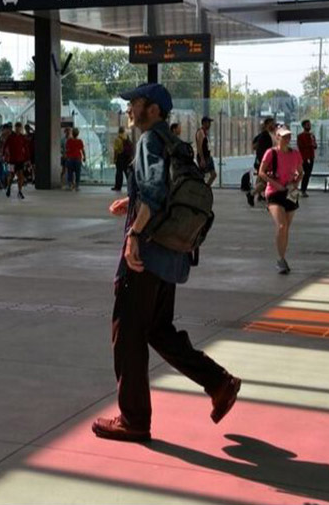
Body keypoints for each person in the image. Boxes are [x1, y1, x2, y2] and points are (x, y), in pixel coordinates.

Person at [93, 82, 240, 443]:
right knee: (157, 329)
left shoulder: (149, 141)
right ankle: (218, 382)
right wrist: (133, 202)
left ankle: (134, 419)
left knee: (127, 334)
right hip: (171, 253)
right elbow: (165, 191)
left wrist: (134, 236)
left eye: (136, 103)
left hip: (146, 254)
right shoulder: (177, 144)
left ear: (154, 110)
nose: (130, 109)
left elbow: (157, 191)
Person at [259, 126, 303, 274]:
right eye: (284, 136)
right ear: (277, 137)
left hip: (290, 192)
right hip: (274, 192)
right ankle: (280, 259)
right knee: (282, 225)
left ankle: (282, 257)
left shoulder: (295, 154)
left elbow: (301, 172)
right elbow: (261, 172)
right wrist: (275, 184)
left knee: (286, 228)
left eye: (289, 136)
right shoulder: (271, 153)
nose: (287, 139)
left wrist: (295, 183)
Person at [248, 117, 276, 206]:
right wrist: (265, 163)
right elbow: (261, 151)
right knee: (266, 182)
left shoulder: (272, 135)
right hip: (266, 162)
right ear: (267, 124)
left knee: (264, 181)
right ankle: (253, 194)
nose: (273, 125)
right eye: (272, 123)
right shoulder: (264, 135)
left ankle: (254, 194)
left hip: (270, 162)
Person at [3, 122, 30, 199]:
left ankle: (20, 191)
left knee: (21, 176)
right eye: (16, 128)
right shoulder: (10, 137)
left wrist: (27, 158)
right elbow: (5, 147)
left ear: (21, 129)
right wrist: (4, 156)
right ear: (15, 128)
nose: (18, 129)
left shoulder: (22, 137)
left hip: (20, 160)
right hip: (11, 160)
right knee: (11, 175)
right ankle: (8, 187)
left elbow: (26, 148)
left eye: (19, 128)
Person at [296, 119, 317, 197]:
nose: (309, 126)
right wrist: (310, 144)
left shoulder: (312, 135)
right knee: (306, 173)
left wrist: (313, 144)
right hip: (304, 157)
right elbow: (300, 146)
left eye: (310, 125)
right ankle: (302, 190)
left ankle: (303, 190)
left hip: (311, 157)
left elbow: (315, 146)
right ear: (304, 126)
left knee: (308, 174)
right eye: (308, 125)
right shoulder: (300, 136)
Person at [195, 116, 217, 187]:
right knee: (201, 175)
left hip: (208, 156)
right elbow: (199, 146)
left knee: (213, 174)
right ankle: (200, 189)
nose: (210, 125)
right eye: (208, 123)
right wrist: (202, 159)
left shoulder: (205, 133)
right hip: (203, 157)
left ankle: (206, 188)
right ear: (204, 123)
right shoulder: (200, 132)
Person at [112, 127, 131, 192]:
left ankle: (118, 186)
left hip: (120, 157)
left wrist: (115, 158)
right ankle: (131, 186)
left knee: (119, 172)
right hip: (127, 157)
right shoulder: (126, 138)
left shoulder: (117, 139)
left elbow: (116, 150)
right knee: (127, 173)